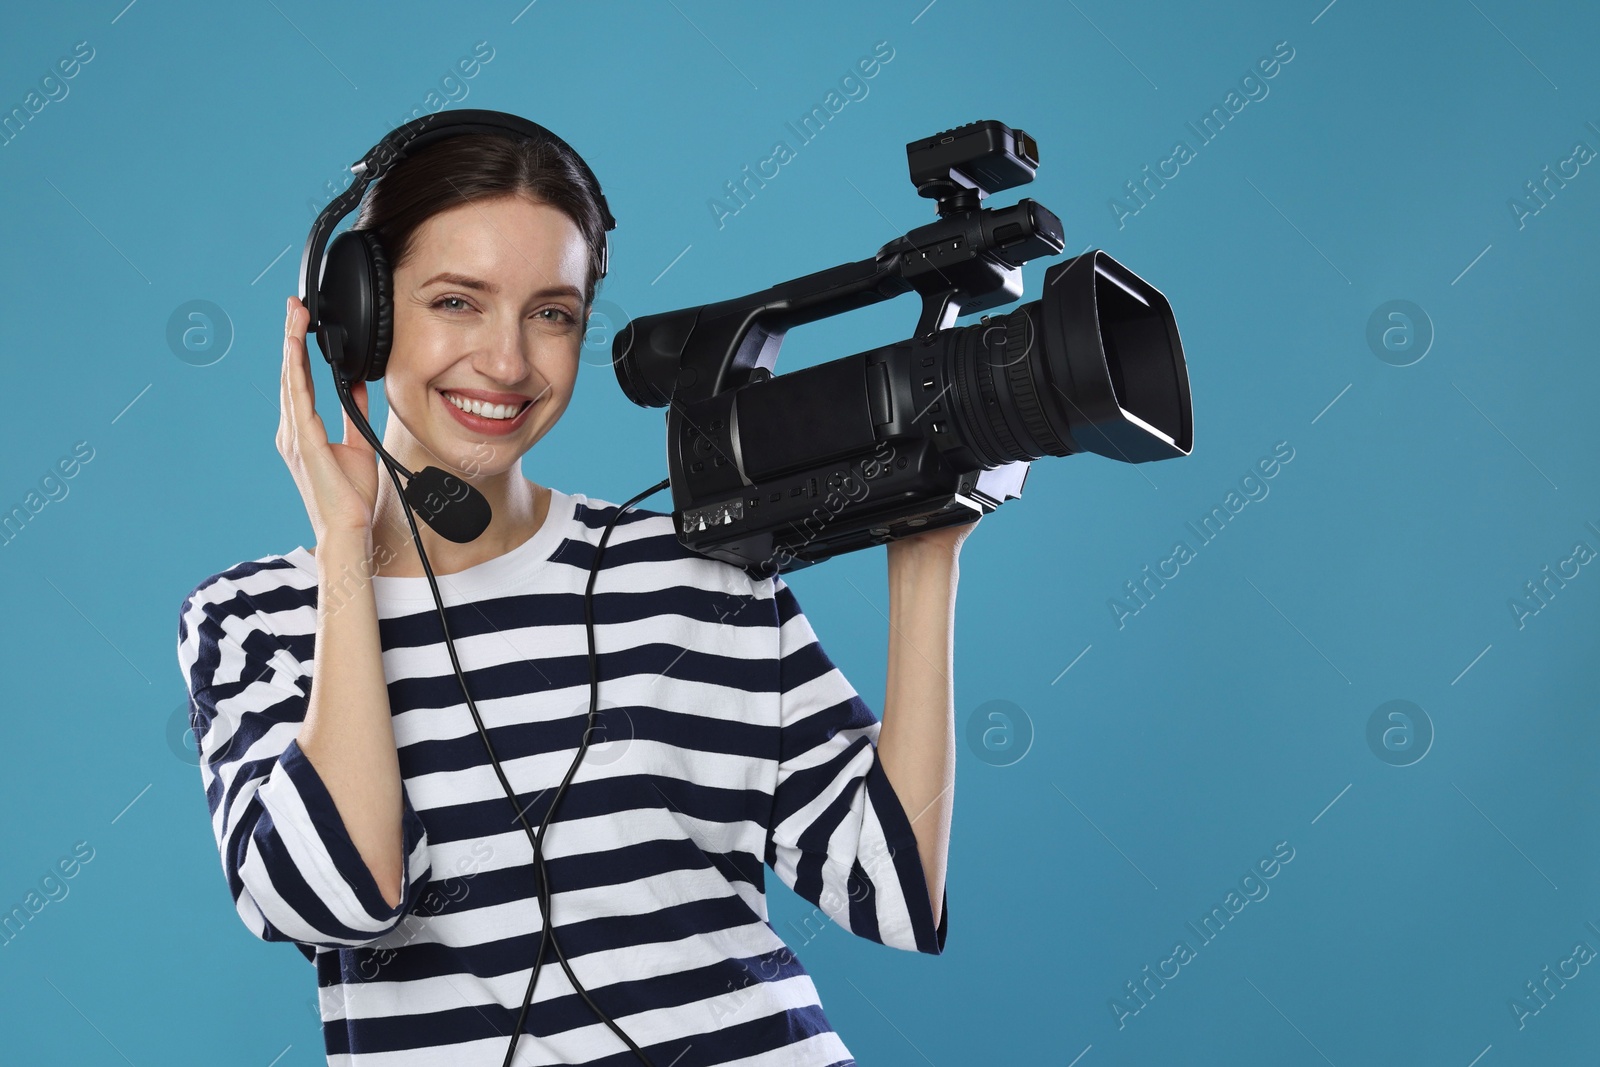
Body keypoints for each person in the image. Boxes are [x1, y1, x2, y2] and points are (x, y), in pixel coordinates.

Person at [175, 129, 973, 1066]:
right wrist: (347, 548)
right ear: (362, 317)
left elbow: (893, 886)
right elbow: (342, 892)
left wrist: (926, 543)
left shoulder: (691, 566)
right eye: (456, 302)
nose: (507, 364)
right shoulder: (252, 621)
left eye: (550, 314)